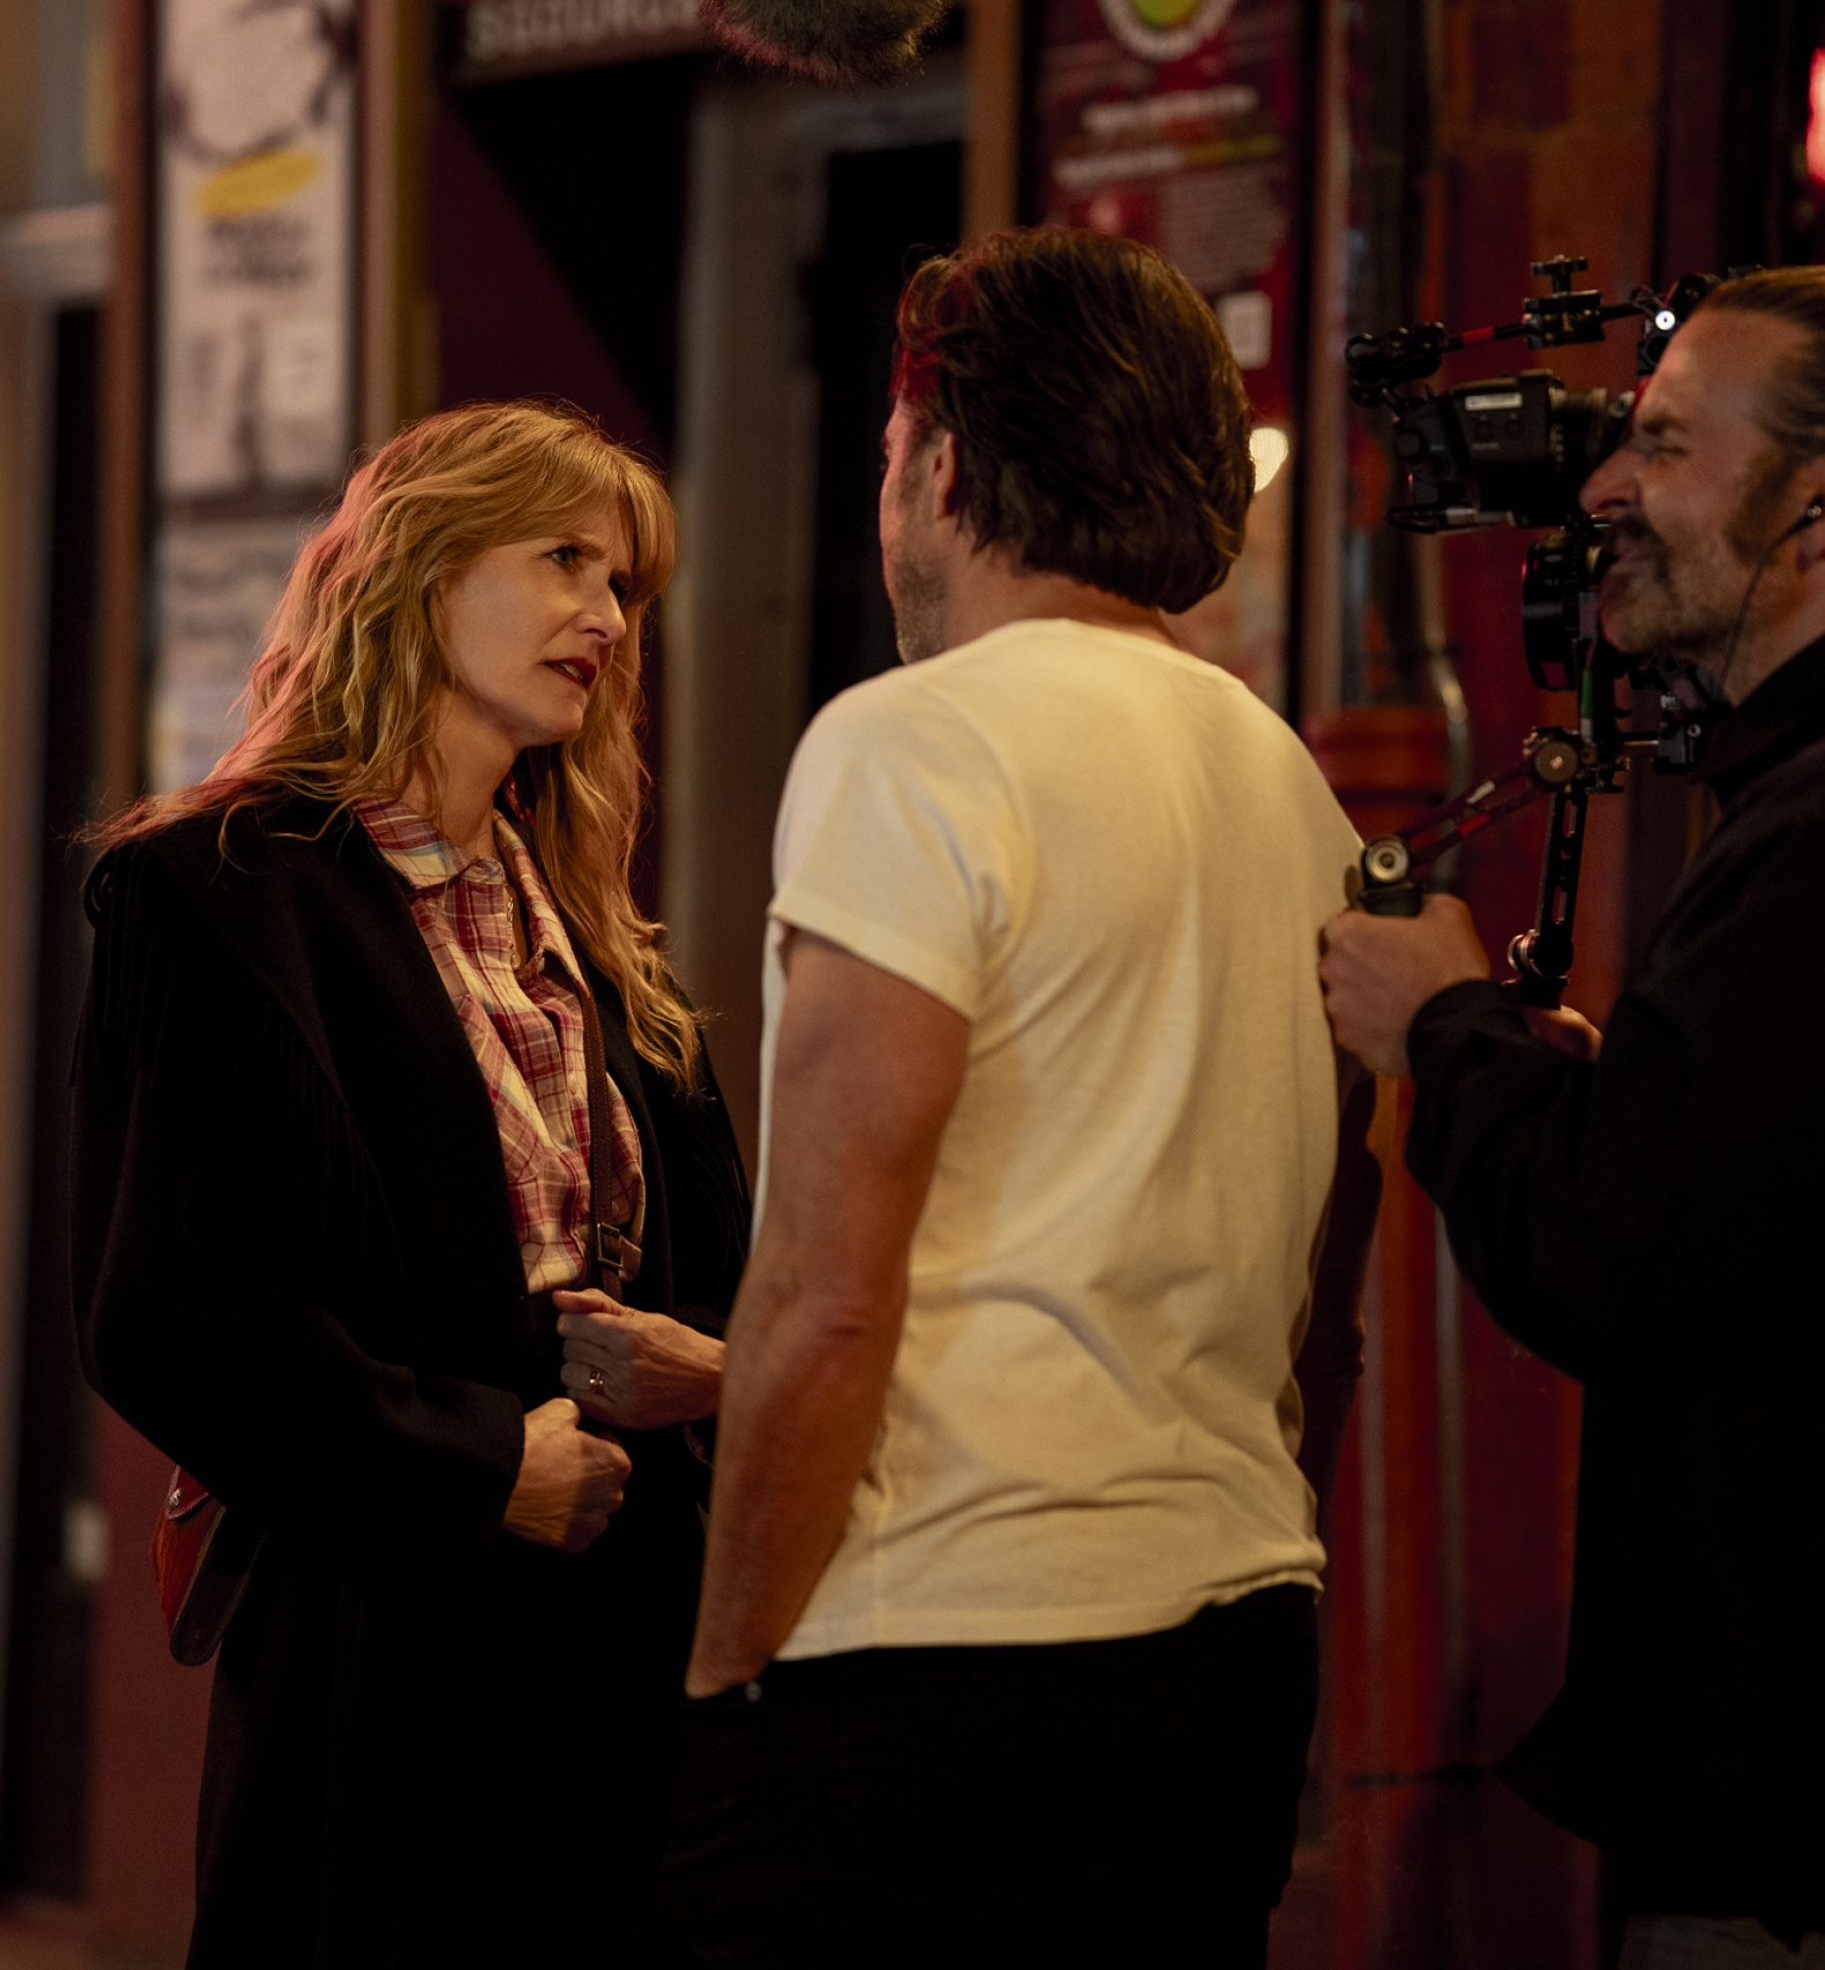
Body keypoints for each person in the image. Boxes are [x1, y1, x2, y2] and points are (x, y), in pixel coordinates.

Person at [663, 227, 1378, 1968]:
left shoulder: (917, 740)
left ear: (942, 462)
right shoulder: (1283, 775)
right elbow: (1323, 1277)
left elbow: (828, 1289)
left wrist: (721, 1673)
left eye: (891, 456)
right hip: (1229, 1622)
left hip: (949, 1644)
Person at [71, 401, 748, 1968]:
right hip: (378, 1647)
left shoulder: (595, 926)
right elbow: (163, 1313)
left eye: (625, 583)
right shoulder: (218, 891)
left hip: (626, 1643)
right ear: (419, 572)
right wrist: (478, 1466)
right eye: (563, 559)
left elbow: (724, 1256)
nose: (604, 613)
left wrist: (698, 1368)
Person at [1319, 269, 1825, 1969]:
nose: (1602, 488)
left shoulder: (1808, 833)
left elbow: (1624, 1252)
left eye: (1665, 447)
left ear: (1812, 513)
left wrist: (1445, 1025)